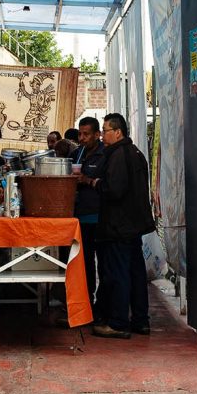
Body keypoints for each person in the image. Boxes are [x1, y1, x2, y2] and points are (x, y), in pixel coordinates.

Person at [83, 113, 154, 339]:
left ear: (118, 132)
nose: (103, 135)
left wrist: (94, 182)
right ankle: (140, 320)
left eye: (105, 130)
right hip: (132, 224)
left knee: (118, 273)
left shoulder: (119, 155)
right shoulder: (134, 153)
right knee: (135, 272)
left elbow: (114, 189)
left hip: (119, 225)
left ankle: (119, 322)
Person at [72, 117, 107, 321]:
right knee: (84, 265)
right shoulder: (77, 153)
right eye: (80, 134)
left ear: (97, 135)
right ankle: (86, 306)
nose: (82, 138)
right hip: (80, 218)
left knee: (103, 263)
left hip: (100, 218)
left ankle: (102, 307)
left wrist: (87, 180)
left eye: (86, 134)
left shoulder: (105, 154)